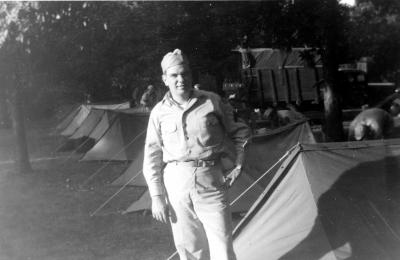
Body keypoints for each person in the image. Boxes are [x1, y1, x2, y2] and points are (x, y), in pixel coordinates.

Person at [143, 49, 250, 260]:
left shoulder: (212, 101)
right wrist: (156, 196)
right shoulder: (158, 112)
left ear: (191, 76)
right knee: (189, 249)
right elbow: (152, 156)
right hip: (176, 183)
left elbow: (240, 131)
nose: (180, 80)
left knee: (223, 248)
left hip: (210, 179)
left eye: (185, 74)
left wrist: (239, 163)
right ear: (165, 79)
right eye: (174, 76)